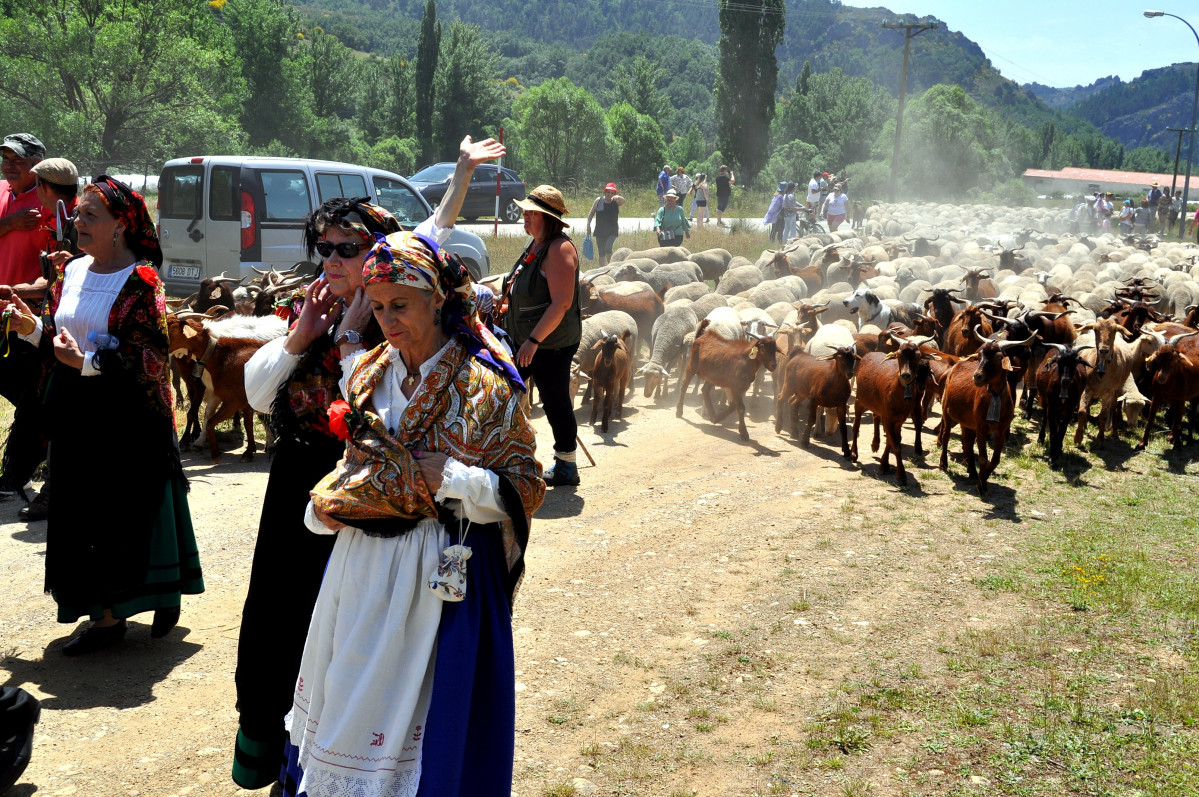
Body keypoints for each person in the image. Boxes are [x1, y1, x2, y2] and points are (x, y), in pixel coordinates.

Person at [232, 136, 504, 791]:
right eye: (321, 247)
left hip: (379, 508)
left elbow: (430, 232)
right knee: (277, 625)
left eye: (345, 248)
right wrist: (302, 334)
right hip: (301, 492)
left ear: (379, 255)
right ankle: (290, 761)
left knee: (349, 646)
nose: (329, 258)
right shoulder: (312, 310)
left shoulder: (405, 324)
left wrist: (461, 176)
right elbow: (255, 391)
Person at [281, 227, 544, 797]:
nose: (388, 320)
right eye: (377, 308)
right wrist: (330, 508)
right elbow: (354, 466)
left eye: (401, 304)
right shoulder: (369, 373)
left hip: (441, 572)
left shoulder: (487, 383)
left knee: (427, 715)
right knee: (353, 695)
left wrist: (455, 479)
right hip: (362, 570)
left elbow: (525, 484)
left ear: (440, 298)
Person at [0, 176, 203, 655]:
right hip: (76, 413)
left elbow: (150, 359)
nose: (78, 222)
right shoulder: (70, 273)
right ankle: (101, 612)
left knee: (117, 515)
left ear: (121, 226)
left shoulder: (141, 282)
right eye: (78, 214)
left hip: (124, 418)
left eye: (91, 214)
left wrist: (88, 363)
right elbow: (60, 334)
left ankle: (118, 614)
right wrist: (33, 330)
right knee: (78, 514)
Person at [0, 158, 81, 522]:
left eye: (18, 162)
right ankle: (24, 476)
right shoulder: (67, 217)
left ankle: (39, 482)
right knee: (39, 401)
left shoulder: (75, 220)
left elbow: (70, 278)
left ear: (43, 185)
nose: (8, 168)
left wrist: (12, 289)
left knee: (44, 403)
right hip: (41, 323)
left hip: (67, 330)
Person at [502, 185, 584, 486]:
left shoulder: (559, 249)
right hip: (528, 339)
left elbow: (561, 303)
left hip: (550, 343)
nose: (524, 216)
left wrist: (533, 341)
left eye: (530, 213)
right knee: (505, 391)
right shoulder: (536, 244)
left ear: (547, 218)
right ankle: (507, 457)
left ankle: (566, 465)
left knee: (554, 400)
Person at [584, 182, 625, 267]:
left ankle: (611, 267)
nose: (610, 194)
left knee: (608, 248)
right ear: (605, 192)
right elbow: (591, 213)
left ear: (614, 194)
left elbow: (623, 201)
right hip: (600, 230)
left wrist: (619, 197)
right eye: (608, 192)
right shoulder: (599, 201)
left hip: (612, 231)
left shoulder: (616, 201)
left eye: (612, 193)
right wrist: (588, 225)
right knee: (601, 252)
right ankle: (602, 269)